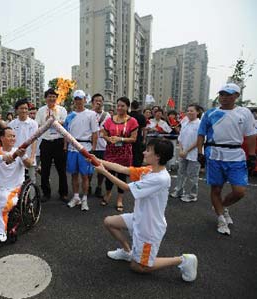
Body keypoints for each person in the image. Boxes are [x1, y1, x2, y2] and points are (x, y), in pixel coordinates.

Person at [95, 138, 198, 282]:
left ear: (158, 156)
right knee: (109, 222)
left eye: (148, 150)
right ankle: (127, 252)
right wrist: (98, 160)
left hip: (149, 228)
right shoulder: (149, 169)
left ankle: (182, 260)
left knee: (139, 267)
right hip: (139, 217)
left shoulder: (160, 178)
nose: (144, 152)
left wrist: (104, 171)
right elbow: (123, 169)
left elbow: (126, 188)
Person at [197, 83, 256, 235]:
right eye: (222, 94)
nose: (224, 97)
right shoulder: (210, 113)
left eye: (229, 94)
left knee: (240, 191)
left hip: (236, 155)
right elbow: (201, 134)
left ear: (236, 96)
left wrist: (252, 155)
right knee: (216, 188)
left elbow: (250, 136)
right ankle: (221, 218)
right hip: (214, 154)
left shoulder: (244, 113)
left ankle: (221, 206)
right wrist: (200, 153)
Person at [101, 97, 138, 211]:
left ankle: (120, 199)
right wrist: (109, 139)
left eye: (122, 106)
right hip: (111, 152)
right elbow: (104, 134)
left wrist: (120, 139)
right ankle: (107, 194)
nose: (120, 108)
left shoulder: (132, 121)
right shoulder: (109, 120)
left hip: (124, 153)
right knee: (108, 175)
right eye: (118, 105)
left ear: (127, 107)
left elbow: (133, 139)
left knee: (122, 177)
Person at [64, 90, 98, 211]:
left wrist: (93, 149)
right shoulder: (70, 115)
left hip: (85, 148)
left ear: (85, 100)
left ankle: (84, 199)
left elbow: (95, 133)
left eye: (81, 99)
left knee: (85, 176)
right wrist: (65, 146)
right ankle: (76, 197)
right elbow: (66, 133)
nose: (78, 101)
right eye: (76, 99)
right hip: (72, 148)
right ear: (74, 100)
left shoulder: (91, 114)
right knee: (74, 174)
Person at [35, 88, 68, 202]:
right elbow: (38, 125)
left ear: (56, 98)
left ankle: (63, 193)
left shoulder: (62, 109)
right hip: (46, 143)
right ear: (46, 98)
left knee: (61, 170)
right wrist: (46, 122)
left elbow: (65, 123)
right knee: (45, 170)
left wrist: (53, 122)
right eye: (49, 96)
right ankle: (46, 193)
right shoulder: (41, 110)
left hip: (58, 142)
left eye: (54, 96)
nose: (52, 98)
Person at [170, 104, 202, 202]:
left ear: (197, 112)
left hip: (194, 153)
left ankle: (192, 195)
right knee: (181, 172)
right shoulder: (184, 121)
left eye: (192, 111)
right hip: (183, 152)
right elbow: (181, 137)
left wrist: (186, 151)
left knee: (192, 175)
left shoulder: (200, 123)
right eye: (188, 110)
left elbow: (199, 140)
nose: (189, 112)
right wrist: (181, 150)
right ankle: (178, 190)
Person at [8, 99, 39, 183]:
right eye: (21, 108)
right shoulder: (11, 124)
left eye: (26, 108)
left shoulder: (33, 123)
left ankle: (32, 196)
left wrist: (32, 157)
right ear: (17, 110)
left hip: (28, 156)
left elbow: (34, 141)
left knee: (31, 181)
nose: (24, 110)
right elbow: (9, 141)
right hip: (16, 157)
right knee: (16, 181)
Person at [90, 93, 110, 199]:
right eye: (96, 100)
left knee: (101, 169)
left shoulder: (107, 115)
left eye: (100, 100)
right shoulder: (88, 114)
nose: (98, 102)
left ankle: (99, 187)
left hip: (103, 146)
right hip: (90, 146)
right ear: (92, 102)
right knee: (89, 168)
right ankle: (87, 186)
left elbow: (109, 130)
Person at [129, 100, 147, 167]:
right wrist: (144, 139)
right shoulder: (141, 117)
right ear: (138, 107)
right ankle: (136, 168)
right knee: (137, 153)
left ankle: (128, 167)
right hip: (138, 137)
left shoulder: (128, 115)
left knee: (128, 152)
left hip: (127, 137)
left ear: (131, 106)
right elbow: (144, 129)